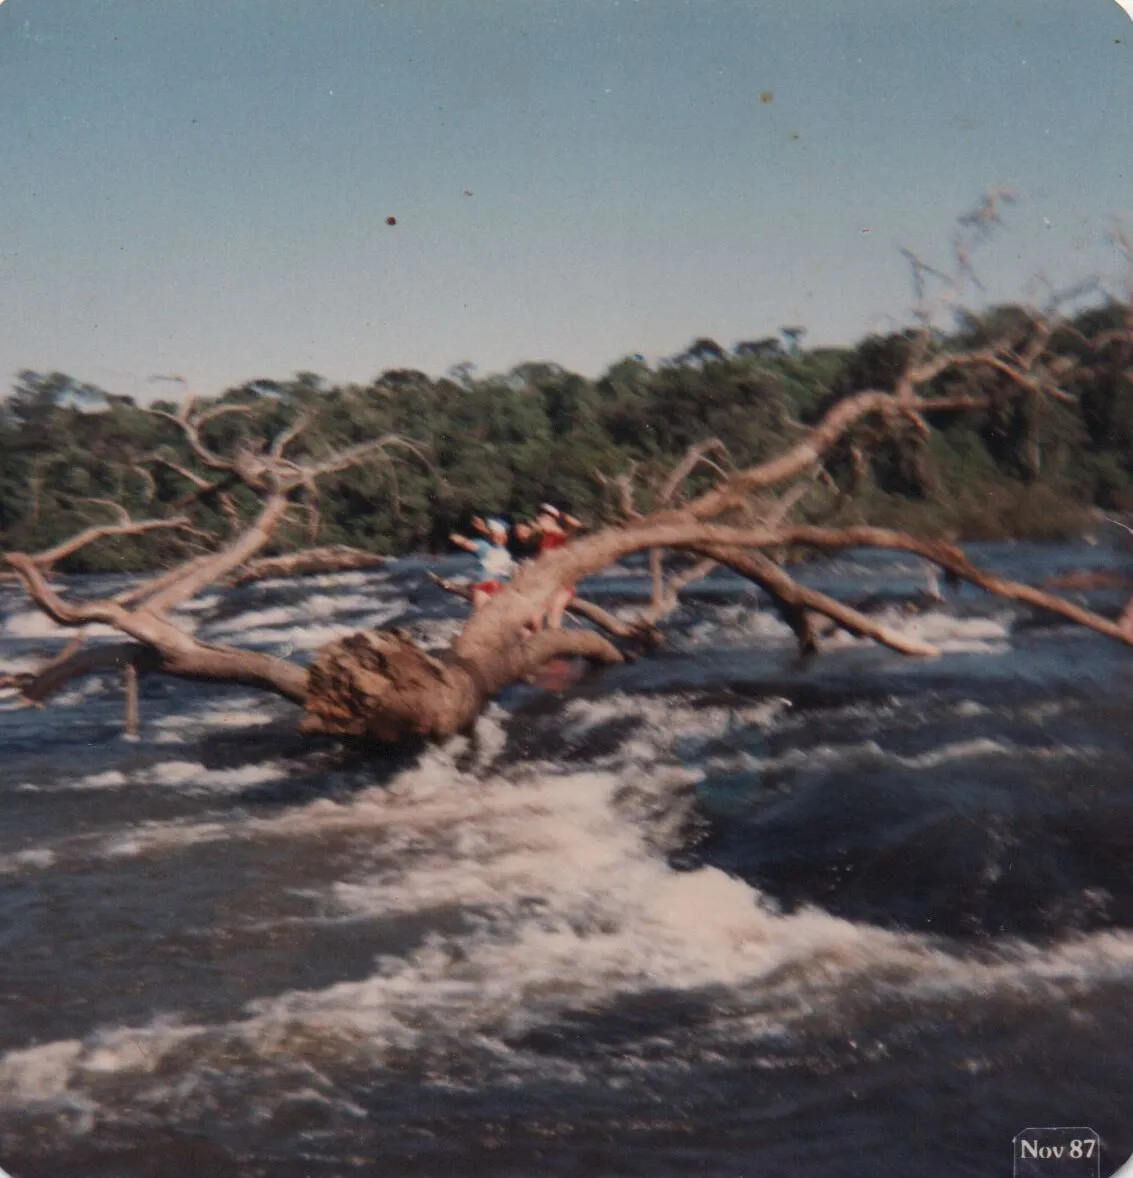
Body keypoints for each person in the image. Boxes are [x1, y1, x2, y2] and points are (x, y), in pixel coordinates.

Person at [531, 504, 583, 630]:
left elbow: (576, 525)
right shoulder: (542, 537)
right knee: (533, 618)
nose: (539, 520)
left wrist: (559, 514)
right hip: (545, 583)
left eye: (543, 517)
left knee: (554, 612)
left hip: (562, 584)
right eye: (540, 517)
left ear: (551, 520)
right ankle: (537, 644)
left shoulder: (562, 536)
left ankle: (555, 643)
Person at [449, 516, 515, 610]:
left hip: (503, 587)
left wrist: (484, 529)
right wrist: (459, 539)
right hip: (486, 587)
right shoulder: (484, 546)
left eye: (501, 534)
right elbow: (469, 545)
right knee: (481, 612)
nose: (499, 537)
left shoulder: (508, 547)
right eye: (494, 533)